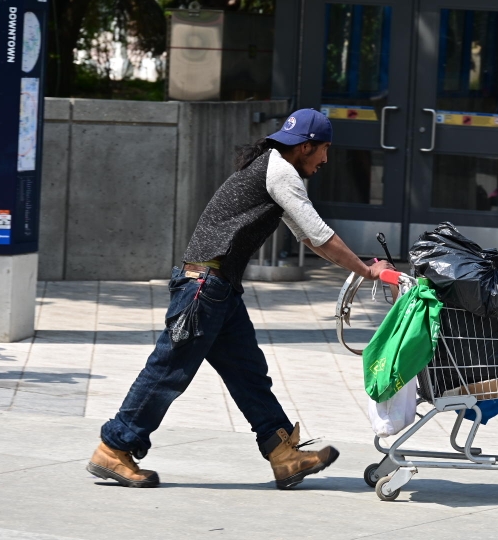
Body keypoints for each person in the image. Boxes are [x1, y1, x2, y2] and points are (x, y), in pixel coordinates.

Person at [86, 109, 393, 488]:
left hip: (219, 290)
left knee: (248, 374)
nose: (326, 159)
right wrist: (367, 270)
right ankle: (115, 448)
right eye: (325, 149)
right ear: (306, 146)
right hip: (204, 288)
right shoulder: (280, 170)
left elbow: (308, 236)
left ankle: (283, 454)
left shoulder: (276, 168)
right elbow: (319, 233)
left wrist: (359, 267)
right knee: (168, 371)